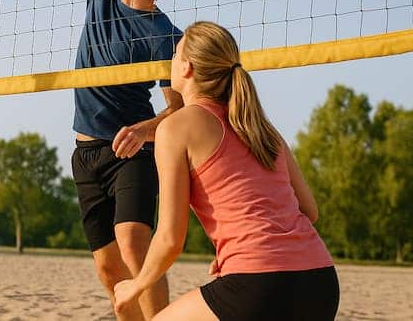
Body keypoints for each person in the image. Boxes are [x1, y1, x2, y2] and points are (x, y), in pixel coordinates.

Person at [32, 0, 184, 319]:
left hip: (132, 152)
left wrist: (147, 128)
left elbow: (183, 112)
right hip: (84, 154)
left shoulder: (166, 35)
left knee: (136, 254)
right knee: (108, 271)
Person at [113, 21, 339, 321]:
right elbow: (309, 211)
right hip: (320, 281)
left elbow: (169, 239)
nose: (171, 60)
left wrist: (136, 286)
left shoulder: (175, 128)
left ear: (187, 68)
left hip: (259, 285)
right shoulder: (262, 128)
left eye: (175, 53)